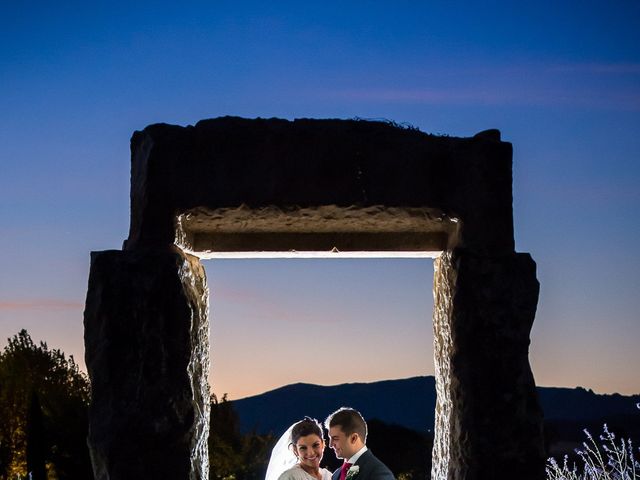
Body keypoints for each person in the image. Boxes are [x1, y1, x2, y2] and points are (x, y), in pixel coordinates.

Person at [325, 407, 395, 480]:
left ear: (353, 438)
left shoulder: (378, 472)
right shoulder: (336, 475)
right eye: (330, 438)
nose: (330, 445)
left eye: (335, 438)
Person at [266, 417, 333, 480]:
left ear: (323, 444)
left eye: (315, 445)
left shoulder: (328, 475)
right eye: (303, 448)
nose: (311, 453)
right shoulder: (290, 477)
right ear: (295, 450)